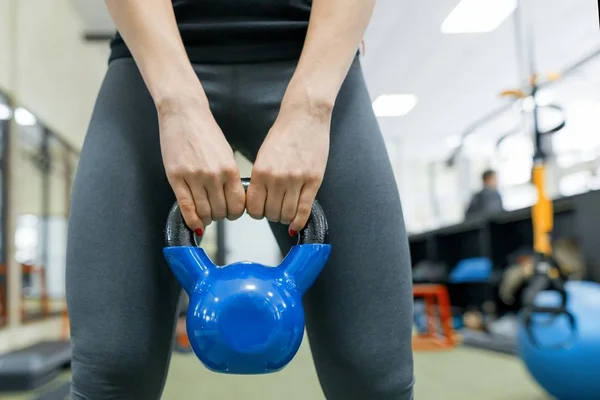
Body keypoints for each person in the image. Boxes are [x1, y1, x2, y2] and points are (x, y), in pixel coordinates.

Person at [65, 1, 415, 399]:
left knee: (374, 373)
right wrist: (177, 108)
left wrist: (311, 111)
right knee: (111, 368)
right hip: (151, 62)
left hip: (311, 57)